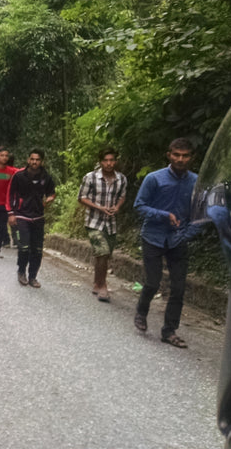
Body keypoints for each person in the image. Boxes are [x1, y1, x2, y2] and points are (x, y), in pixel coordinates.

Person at [133, 137, 200, 348]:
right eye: (176, 155)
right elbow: (139, 206)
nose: (181, 159)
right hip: (153, 236)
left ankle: (169, 330)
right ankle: (141, 311)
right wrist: (163, 215)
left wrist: (187, 234)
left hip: (178, 240)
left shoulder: (197, 182)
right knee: (153, 283)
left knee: (178, 288)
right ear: (169, 155)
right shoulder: (154, 179)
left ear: (191, 157)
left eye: (185, 155)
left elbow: (201, 215)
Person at [77, 147, 128, 302]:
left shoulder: (121, 179)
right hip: (94, 222)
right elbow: (82, 197)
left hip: (111, 223)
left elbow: (122, 196)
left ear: (116, 161)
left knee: (104, 256)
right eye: (105, 160)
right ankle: (103, 286)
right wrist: (99, 207)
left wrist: (117, 207)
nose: (108, 163)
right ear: (100, 162)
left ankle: (97, 282)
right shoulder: (91, 177)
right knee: (103, 252)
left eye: (111, 160)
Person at [8, 149, 56, 288]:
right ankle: (21, 271)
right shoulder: (19, 175)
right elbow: (10, 195)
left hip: (38, 217)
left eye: (38, 160)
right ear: (28, 160)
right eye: (32, 159)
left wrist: (49, 199)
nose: (35, 162)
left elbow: (52, 193)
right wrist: (11, 213)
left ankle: (33, 276)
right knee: (24, 247)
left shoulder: (46, 177)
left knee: (37, 249)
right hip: (22, 215)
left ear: (42, 161)